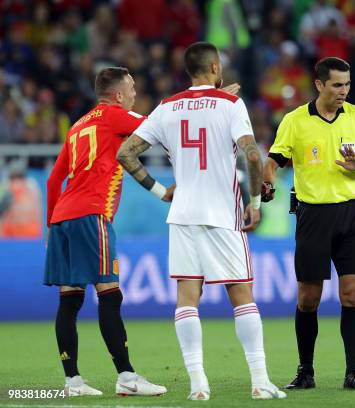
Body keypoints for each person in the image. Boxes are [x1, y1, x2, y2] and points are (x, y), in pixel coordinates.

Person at [116, 42, 286, 401]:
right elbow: (253, 156)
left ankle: (198, 385)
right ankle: (259, 381)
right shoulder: (230, 104)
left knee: (187, 299)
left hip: (183, 215)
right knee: (241, 296)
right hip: (222, 214)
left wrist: (162, 191)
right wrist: (255, 202)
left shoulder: (167, 107)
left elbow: (125, 153)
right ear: (214, 67)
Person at [262, 57, 355, 391]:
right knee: (308, 298)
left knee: (352, 294)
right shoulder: (295, 121)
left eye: (347, 84)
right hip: (313, 216)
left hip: (352, 214)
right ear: (319, 85)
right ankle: (305, 371)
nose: (343, 91)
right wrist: (267, 182)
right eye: (337, 85)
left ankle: (354, 372)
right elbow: (273, 160)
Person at [44, 67, 167, 397]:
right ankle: (126, 376)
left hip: (62, 218)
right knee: (109, 294)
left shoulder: (76, 126)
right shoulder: (116, 116)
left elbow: (55, 180)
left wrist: (49, 225)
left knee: (70, 300)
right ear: (118, 95)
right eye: (131, 88)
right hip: (91, 214)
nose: (135, 92)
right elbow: (159, 125)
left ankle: (73, 381)